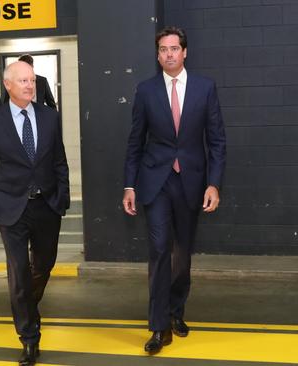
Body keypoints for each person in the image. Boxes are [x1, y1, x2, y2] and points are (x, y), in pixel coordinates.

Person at [122, 26, 226, 355]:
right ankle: (158, 326)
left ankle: (176, 310)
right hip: (156, 183)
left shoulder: (205, 88)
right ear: (158, 55)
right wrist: (129, 185)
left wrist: (213, 183)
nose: (169, 53)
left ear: (184, 52)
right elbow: (135, 142)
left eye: (174, 48)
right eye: (163, 49)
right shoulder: (146, 91)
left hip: (192, 183)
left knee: (182, 255)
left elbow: (217, 140)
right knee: (158, 251)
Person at [0, 61, 70, 366]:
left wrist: (63, 197)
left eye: (32, 80)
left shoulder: (50, 117)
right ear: (7, 85)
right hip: (12, 209)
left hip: (47, 205)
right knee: (19, 273)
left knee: (43, 266)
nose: (29, 85)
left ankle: (25, 307)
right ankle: (29, 337)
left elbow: (59, 160)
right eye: (23, 81)